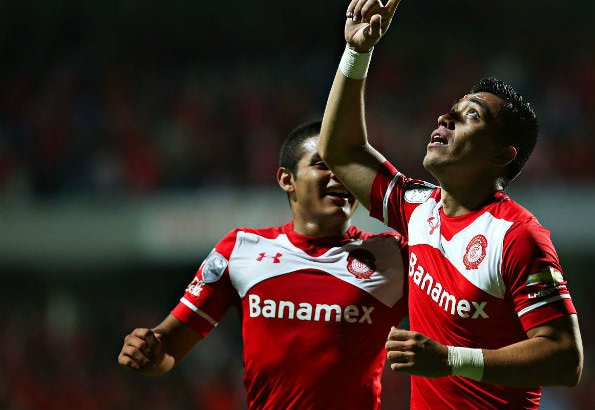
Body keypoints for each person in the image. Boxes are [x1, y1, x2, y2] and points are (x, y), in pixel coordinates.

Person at [317, 0, 583, 409]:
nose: (446, 117)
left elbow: (565, 358)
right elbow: (341, 151)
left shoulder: (517, 237)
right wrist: (357, 52)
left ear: (501, 155)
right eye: (452, 109)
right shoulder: (419, 208)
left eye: (470, 116)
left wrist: (450, 360)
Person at [117, 120, 409, 410]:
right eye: (323, 165)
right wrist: (146, 350)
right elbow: (167, 348)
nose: (340, 176)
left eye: (347, 168)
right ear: (286, 179)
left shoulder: (393, 255)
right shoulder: (240, 250)